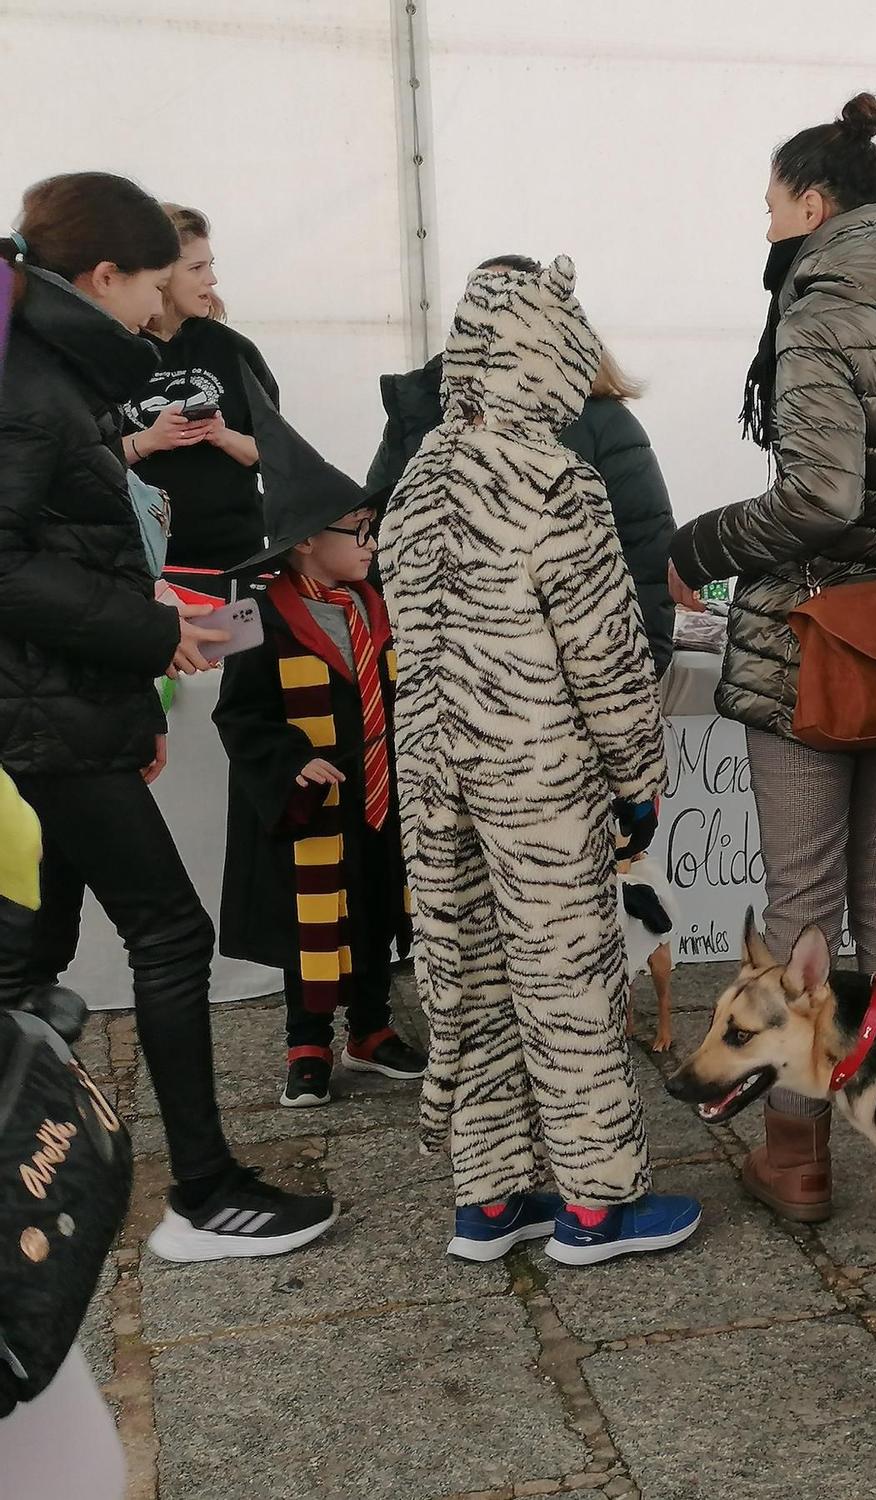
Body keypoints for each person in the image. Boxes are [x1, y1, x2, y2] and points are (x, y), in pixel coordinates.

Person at [0, 173, 337, 1261]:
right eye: (154, 283)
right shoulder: (28, 380)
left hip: (62, 698)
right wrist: (149, 635)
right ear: (103, 277)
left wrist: (142, 615)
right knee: (168, 931)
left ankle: (30, 1183)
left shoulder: (47, 365)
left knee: (28, 952)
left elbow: (61, 542)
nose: (162, 309)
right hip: (43, 712)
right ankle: (201, 1194)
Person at [666, 91, 876, 1228]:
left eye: (769, 208)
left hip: (809, 642)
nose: (765, 230)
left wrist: (697, 544)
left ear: (813, 200)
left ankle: (796, 1157)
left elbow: (819, 496)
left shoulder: (816, 307)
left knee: (800, 894)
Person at [378, 253, 700, 1266]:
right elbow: (604, 658)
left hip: (434, 776)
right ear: (547, 351)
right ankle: (597, 1205)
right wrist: (635, 783)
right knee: (563, 984)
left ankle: (489, 1200)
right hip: (533, 775)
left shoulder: (417, 475)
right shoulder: (555, 481)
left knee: (465, 978)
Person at [212, 378, 427, 1110]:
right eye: (357, 532)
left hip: (376, 799)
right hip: (307, 806)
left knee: (373, 915)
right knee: (313, 923)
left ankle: (370, 1028)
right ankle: (307, 1042)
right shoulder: (252, 612)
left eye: (372, 529)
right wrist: (287, 759)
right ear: (307, 540)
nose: (371, 544)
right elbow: (236, 715)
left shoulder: (379, 604)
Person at [366, 256, 677, 678]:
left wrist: (635, 673)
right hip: (442, 688)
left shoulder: (603, 425)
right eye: (476, 303)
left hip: (555, 693)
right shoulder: (420, 413)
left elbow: (644, 555)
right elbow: (377, 539)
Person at [121, 204, 277, 571]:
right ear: (159, 275)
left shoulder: (234, 350)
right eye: (196, 268)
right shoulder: (111, 351)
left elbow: (277, 454)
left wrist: (222, 436)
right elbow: (79, 459)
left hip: (236, 557)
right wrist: (149, 441)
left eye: (211, 265)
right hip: (140, 564)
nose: (212, 280)